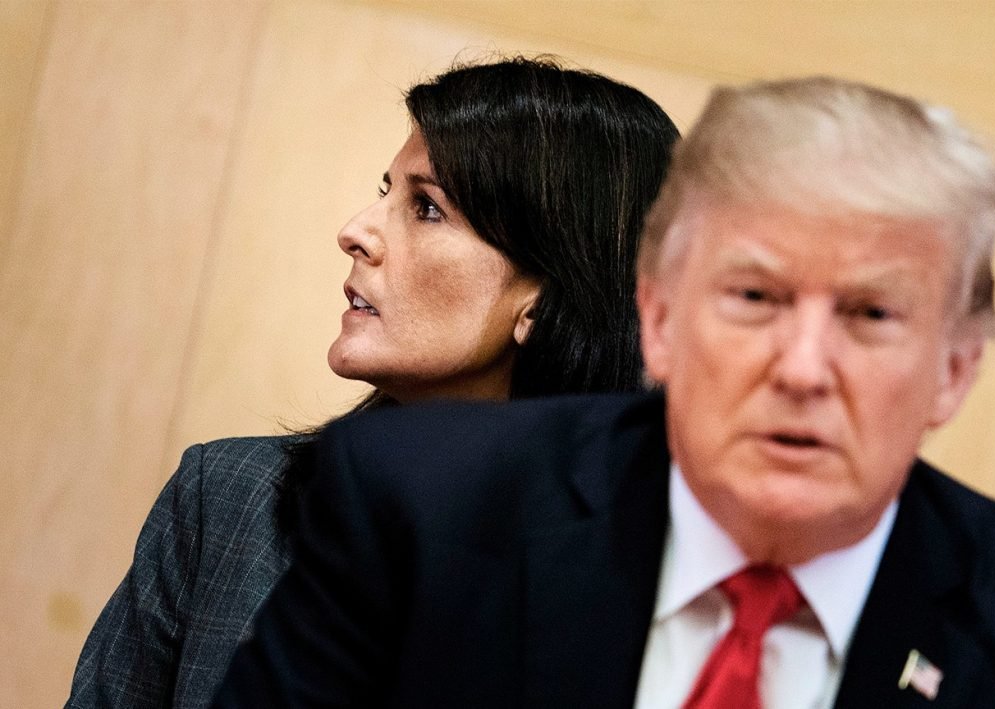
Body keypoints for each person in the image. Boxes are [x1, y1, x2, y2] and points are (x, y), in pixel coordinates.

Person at [213, 77, 995, 708]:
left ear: (954, 370)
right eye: (755, 297)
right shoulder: (423, 511)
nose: (803, 368)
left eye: (870, 315)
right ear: (658, 319)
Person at [66, 56, 678, 709]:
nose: (355, 232)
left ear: (541, 297)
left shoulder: (659, 589)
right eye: (386, 191)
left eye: (427, 208)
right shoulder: (227, 497)